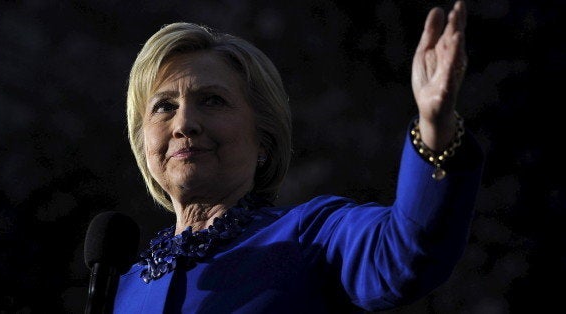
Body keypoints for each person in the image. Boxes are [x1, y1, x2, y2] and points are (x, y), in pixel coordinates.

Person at [114, 1, 483, 313]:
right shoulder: (121, 287)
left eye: (212, 101)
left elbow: (404, 253)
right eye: (163, 106)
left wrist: (435, 129)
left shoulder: (313, 237)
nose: (184, 123)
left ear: (264, 138)